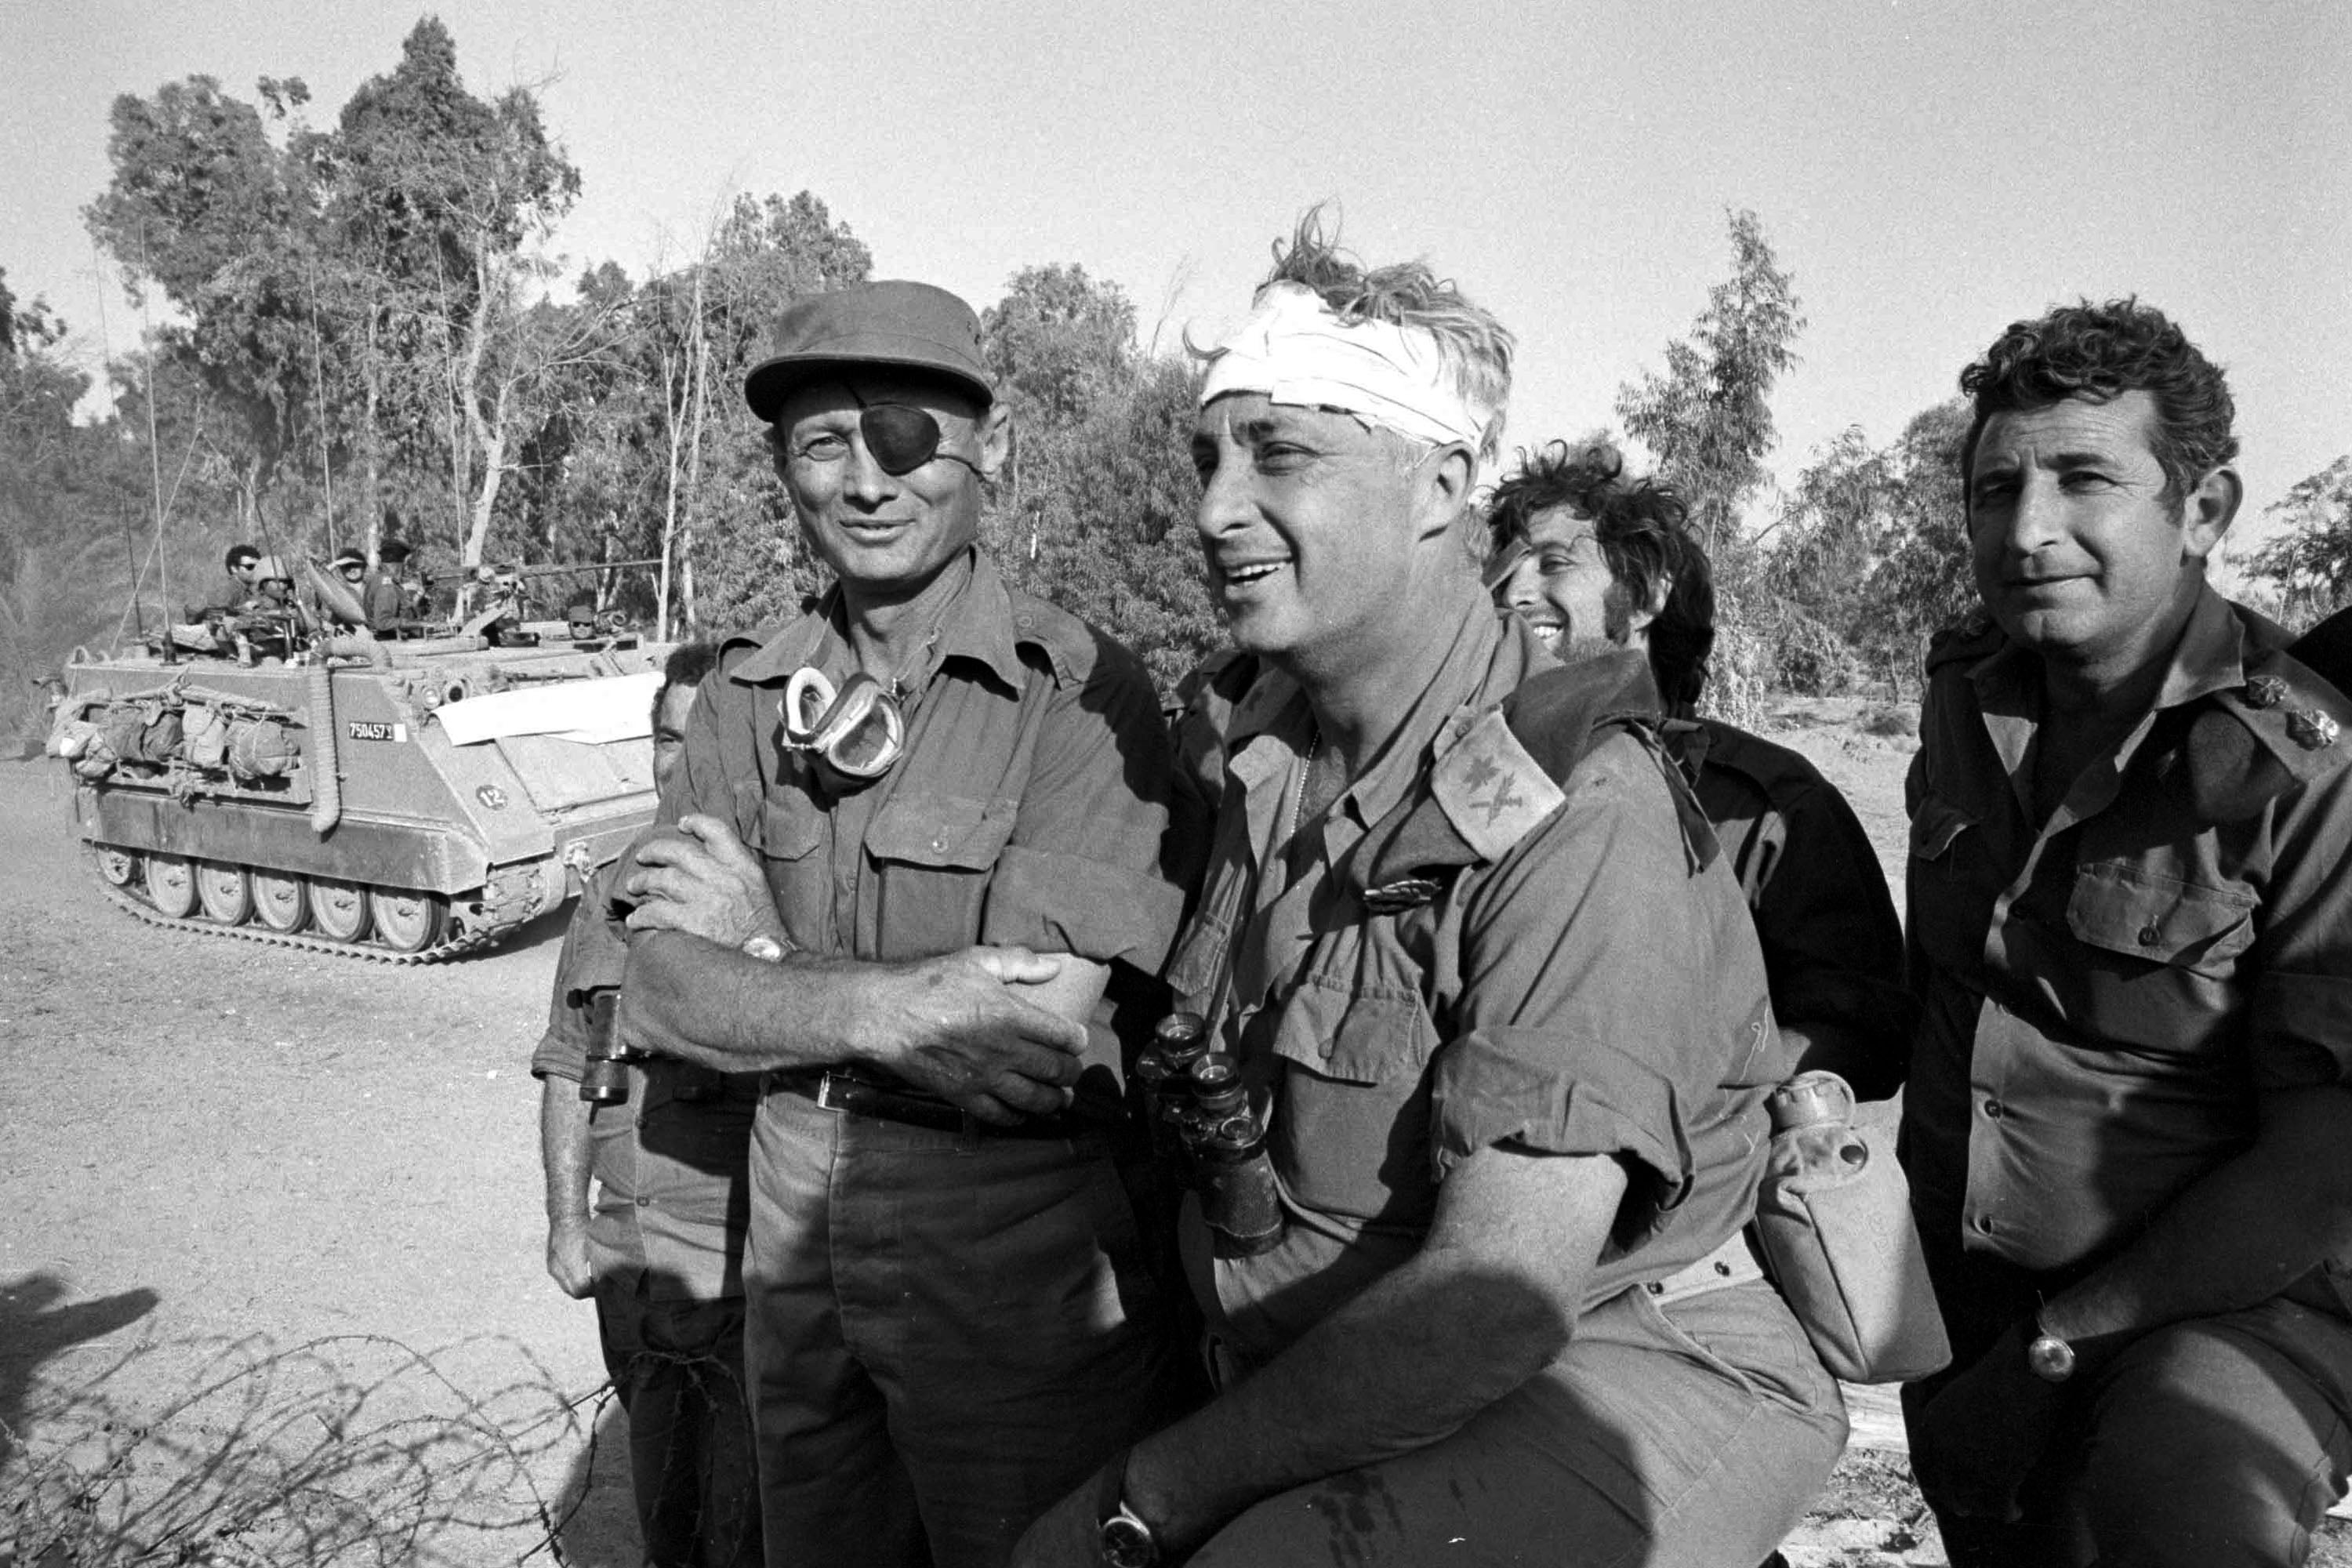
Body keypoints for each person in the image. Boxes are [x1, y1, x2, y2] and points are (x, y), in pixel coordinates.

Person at [1013, 215, 1844, 1567]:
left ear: (1442, 486)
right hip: (1322, 1364)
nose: (1217, 508)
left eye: (1282, 454)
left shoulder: (1581, 816)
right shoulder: (1255, 748)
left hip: (1618, 1353)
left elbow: (1492, 1303)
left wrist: (1146, 1496)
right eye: (1208, 457)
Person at [612, 280, 1194, 1568]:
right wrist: (889, 1004)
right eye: (825, 444)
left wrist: (759, 956)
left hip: (1010, 1237)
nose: (867, 481)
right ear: (784, 470)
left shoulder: (1081, 697)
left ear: (993, 452)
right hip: (789, 1213)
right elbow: (656, 990)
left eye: (906, 437)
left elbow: (1022, 1038)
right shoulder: (745, 693)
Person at [1898, 298, 2352, 1566]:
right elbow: (1939, 988)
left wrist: (2050, 1357)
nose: (2027, 530)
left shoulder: (2308, 775)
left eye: (2085, 479)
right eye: (1995, 489)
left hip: (2227, 1314)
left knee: (2173, 1502)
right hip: (1973, 1313)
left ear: (2204, 512)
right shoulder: (1961, 694)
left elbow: (2322, 1170)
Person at [1485, 443, 1912, 1094]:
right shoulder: (1477, 779)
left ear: (1646, 594)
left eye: (1553, 564)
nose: (1514, 593)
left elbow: (1860, 1033)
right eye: (1508, 564)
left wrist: (1693, 1092)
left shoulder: (1768, 807)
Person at [533, 640, 762, 1568]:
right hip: (629, 1265)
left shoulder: (769, 894)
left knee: (749, 1529)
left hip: (743, 1273)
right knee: (669, 1520)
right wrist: (563, 1222)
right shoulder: (606, 894)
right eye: (666, 738)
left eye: (702, 737)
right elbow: (564, 1062)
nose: (682, 759)